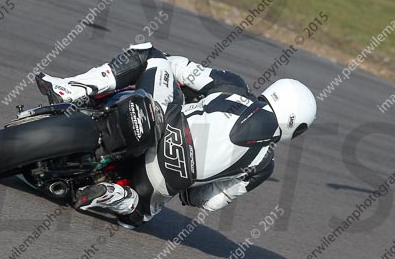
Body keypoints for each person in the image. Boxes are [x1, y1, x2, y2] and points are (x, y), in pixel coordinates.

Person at [35, 42, 316, 228]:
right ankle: (116, 195)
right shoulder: (264, 165)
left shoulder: (233, 87)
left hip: (162, 122)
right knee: (138, 216)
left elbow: (180, 67)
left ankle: (71, 89)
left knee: (150, 54)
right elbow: (204, 201)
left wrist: (168, 70)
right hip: (164, 178)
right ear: (296, 127)